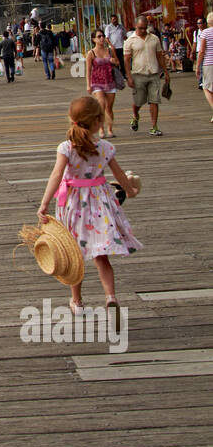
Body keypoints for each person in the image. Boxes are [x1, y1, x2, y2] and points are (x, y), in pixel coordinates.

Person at [37, 95, 141, 317]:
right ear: (98, 121)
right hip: (99, 204)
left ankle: (77, 302)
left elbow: (56, 175)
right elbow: (119, 174)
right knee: (101, 256)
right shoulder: (105, 147)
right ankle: (110, 296)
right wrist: (130, 191)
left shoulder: (66, 147)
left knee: (75, 256)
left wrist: (45, 203)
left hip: (74, 204)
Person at [124, 16, 169, 136]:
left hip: (153, 74)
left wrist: (166, 72)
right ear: (135, 26)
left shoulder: (154, 39)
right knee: (138, 101)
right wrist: (128, 76)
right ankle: (135, 116)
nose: (143, 31)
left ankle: (154, 126)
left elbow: (160, 56)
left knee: (154, 101)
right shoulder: (130, 41)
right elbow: (127, 60)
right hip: (138, 75)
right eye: (140, 28)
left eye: (145, 28)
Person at [86, 28, 119, 136]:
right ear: (94, 39)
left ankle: (110, 129)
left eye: (102, 36)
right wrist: (88, 85)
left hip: (110, 81)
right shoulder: (91, 53)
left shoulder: (109, 50)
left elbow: (118, 63)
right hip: (97, 83)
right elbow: (88, 70)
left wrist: (114, 61)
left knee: (109, 107)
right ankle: (101, 129)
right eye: (99, 36)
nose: (102, 38)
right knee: (101, 106)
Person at [195, 11, 213, 121]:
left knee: (206, 87)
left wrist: (197, 66)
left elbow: (201, 51)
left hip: (209, 63)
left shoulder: (205, 33)